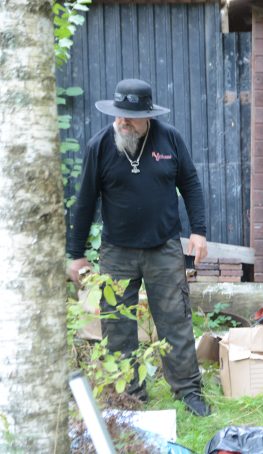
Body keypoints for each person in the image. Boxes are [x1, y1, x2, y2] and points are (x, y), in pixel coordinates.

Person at [67, 79, 211, 416]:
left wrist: (199, 232)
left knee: (175, 321)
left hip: (163, 249)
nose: (121, 122)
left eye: (129, 117)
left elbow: (190, 183)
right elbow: (84, 202)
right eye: (118, 115)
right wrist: (75, 254)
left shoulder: (170, 139)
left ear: (147, 116)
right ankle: (129, 396)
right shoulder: (100, 145)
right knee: (118, 327)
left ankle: (188, 391)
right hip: (116, 252)